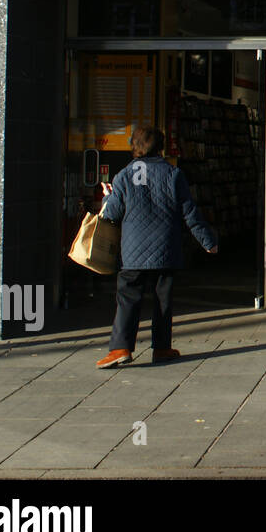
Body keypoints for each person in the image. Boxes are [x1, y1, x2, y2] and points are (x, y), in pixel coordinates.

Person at [95, 126, 218, 368]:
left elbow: (112, 213)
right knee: (163, 300)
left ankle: (120, 348)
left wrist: (107, 196)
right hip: (166, 249)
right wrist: (208, 241)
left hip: (132, 251)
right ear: (160, 147)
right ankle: (161, 348)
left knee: (128, 298)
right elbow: (190, 212)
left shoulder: (123, 175)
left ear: (135, 146)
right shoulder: (173, 174)